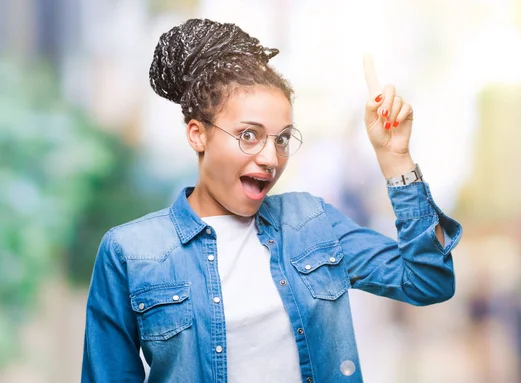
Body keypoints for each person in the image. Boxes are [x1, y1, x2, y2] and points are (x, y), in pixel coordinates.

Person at [81, 18, 462, 383]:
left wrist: (395, 160)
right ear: (197, 134)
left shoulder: (312, 223)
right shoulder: (131, 252)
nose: (270, 157)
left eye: (281, 139)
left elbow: (427, 281)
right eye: (249, 135)